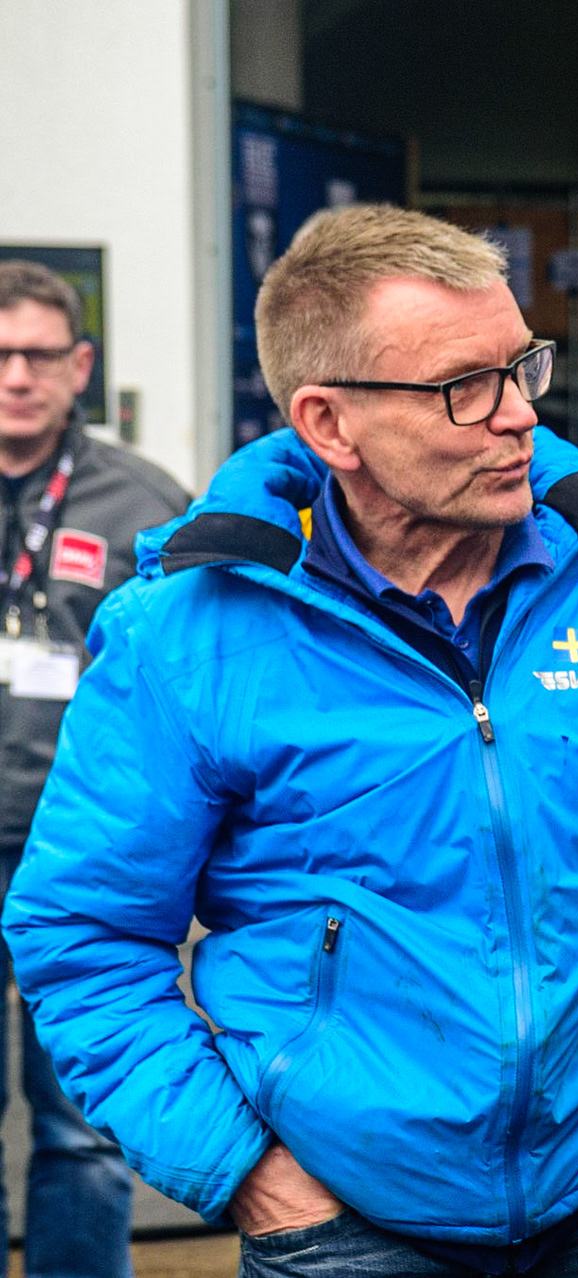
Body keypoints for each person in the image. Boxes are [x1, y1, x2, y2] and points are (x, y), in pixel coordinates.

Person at [3, 207, 578, 1276]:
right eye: (464, 387)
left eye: (522, 367)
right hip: (339, 1232)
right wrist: (252, 1178)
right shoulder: (187, 635)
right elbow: (85, 933)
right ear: (330, 425)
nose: (518, 415)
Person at [0, 260, 188, 1278]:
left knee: (82, 1126)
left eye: (38, 355)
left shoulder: (144, 506)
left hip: (83, 855)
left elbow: (192, 680)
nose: (17, 376)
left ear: (80, 366)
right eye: (0, 355)